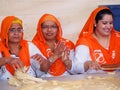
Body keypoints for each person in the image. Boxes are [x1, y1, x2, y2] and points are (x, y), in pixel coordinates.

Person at [72, 6, 120, 74]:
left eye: (111, 23)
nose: (109, 26)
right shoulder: (85, 41)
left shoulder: (118, 37)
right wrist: (87, 64)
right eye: (104, 23)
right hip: (95, 82)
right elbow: (75, 67)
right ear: (95, 23)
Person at [0, 16, 45, 80]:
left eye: (19, 30)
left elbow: (44, 69)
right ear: (5, 31)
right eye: (12, 30)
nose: (16, 33)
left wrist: (44, 62)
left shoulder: (29, 46)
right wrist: (6, 60)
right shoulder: (0, 47)